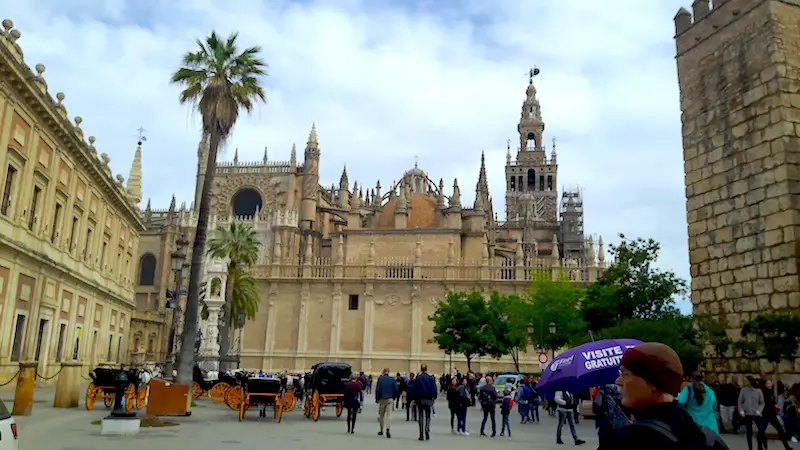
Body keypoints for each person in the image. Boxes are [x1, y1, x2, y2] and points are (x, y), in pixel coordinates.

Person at [599, 342, 729, 450]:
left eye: (624, 374)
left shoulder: (626, 441)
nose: (618, 381)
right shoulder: (710, 440)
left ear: (653, 381)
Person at [593, 383, 628, 447]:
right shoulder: (617, 393)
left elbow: (596, 407)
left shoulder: (601, 393)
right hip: (617, 425)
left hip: (604, 424)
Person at [762, 380, 793, 450]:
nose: (770, 385)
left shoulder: (771, 393)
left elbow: (773, 402)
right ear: (765, 385)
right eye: (768, 383)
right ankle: (761, 446)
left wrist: (776, 406)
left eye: (770, 383)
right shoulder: (764, 393)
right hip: (766, 414)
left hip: (772, 415)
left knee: (780, 430)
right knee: (761, 431)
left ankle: (786, 446)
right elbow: (765, 403)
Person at [414, 364, 438, 441]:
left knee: (420, 416)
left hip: (420, 399)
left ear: (421, 369)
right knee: (428, 415)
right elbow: (434, 388)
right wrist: (434, 397)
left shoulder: (418, 378)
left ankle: (421, 434)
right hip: (428, 399)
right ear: (426, 369)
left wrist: (415, 399)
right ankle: (427, 429)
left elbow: (415, 389)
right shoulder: (431, 378)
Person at [375, 368, 398, 438]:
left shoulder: (380, 379)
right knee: (389, 415)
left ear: (383, 372)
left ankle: (381, 430)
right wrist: (393, 397)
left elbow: (378, 389)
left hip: (382, 399)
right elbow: (396, 390)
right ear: (389, 372)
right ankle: (388, 429)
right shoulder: (392, 379)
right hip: (390, 399)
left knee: (381, 415)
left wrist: (377, 398)